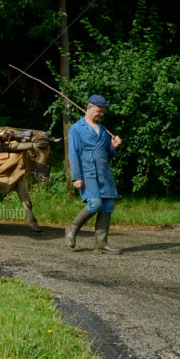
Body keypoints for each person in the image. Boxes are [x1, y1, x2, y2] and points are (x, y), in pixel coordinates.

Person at [65, 94, 123, 254]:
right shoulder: (76, 129)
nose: (101, 114)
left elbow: (108, 154)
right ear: (90, 108)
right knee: (95, 204)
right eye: (99, 111)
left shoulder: (103, 130)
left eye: (103, 111)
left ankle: (101, 244)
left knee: (108, 205)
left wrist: (114, 146)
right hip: (87, 172)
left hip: (104, 172)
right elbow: (73, 154)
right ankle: (72, 228)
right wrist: (76, 177)